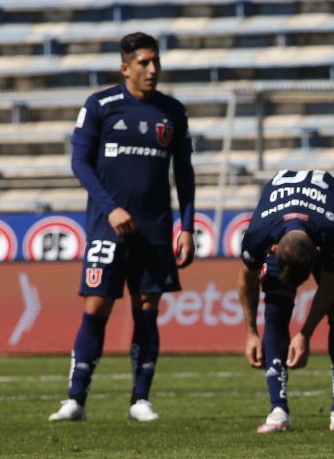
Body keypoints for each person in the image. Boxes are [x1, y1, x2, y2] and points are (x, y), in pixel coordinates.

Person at [49, 32, 196, 422]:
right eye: (144, 63)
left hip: (155, 229)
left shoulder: (172, 112)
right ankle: (76, 399)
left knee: (147, 308)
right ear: (125, 67)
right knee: (96, 305)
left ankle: (140, 399)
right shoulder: (101, 106)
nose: (152, 69)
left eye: (156, 62)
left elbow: (184, 173)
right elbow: (79, 162)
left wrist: (188, 226)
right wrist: (111, 209)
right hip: (106, 227)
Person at [237, 169, 334, 433]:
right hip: (283, 219)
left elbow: (329, 285)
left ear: (318, 254)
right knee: (276, 306)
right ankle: (278, 410)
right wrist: (250, 332)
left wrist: (305, 333)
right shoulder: (259, 233)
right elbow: (246, 280)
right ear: (273, 249)